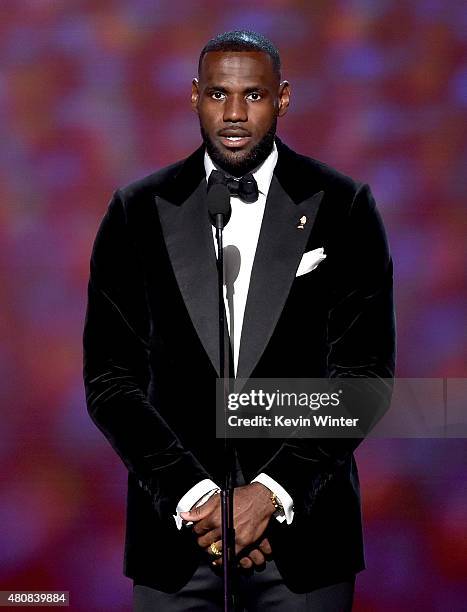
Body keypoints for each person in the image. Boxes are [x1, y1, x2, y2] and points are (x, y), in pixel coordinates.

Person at [83, 30, 395, 611]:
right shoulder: (135, 211)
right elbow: (109, 379)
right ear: (193, 96)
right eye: (218, 94)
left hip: (306, 551)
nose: (232, 113)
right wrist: (199, 499)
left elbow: (364, 375)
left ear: (283, 98)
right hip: (174, 543)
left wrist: (268, 496)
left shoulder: (344, 205)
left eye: (252, 96)